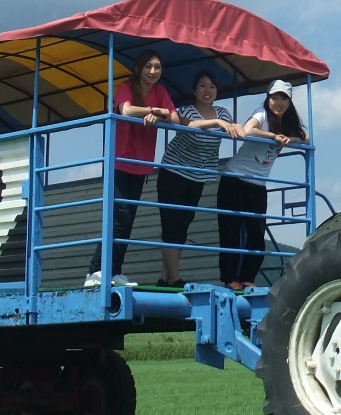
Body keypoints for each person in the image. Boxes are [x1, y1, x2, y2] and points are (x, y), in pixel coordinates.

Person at [86, 49, 177, 285]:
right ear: (138, 68)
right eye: (148, 66)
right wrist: (152, 111)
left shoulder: (160, 91)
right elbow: (125, 109)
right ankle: (95, 271)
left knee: (128, 222)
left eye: (157, 67)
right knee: (119, 219)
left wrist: (162, 114)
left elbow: (174, 118)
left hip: (141, 165)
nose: (153, 71)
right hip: (119, 162)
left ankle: (114, 272)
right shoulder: (126, 87)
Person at [216, 79, 306, 290]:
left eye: (283, 98)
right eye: (275, 97)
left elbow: (306, 138)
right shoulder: (262, 114)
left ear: (289, 101)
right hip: (234, 178)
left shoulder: (289, 123)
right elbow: (248, 130)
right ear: (268, 98)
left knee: (256, 235)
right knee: (230, 232)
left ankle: (248, 278)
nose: (278, 102)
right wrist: (274, 137)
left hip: (257, 184)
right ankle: (230, 279)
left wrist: (290, 139)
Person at [154, 70, 240, 288]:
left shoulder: (223, 112)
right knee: (171, 225)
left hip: (198, 177)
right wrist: (216, 124)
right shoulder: (186, 111)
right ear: (194, 90)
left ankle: (164, 277)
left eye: (212, 86)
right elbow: (187, 125)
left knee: (183, 226)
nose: (207, 90)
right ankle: (175, 279)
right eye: (202, 85)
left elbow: (235, 128)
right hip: (173, 172)